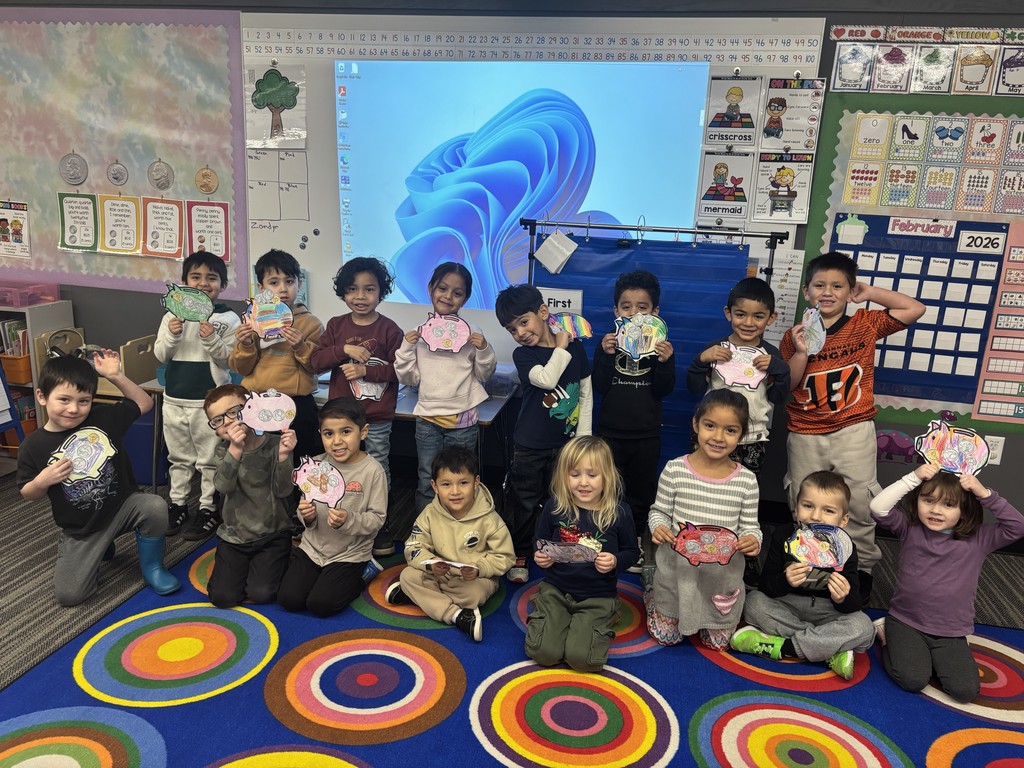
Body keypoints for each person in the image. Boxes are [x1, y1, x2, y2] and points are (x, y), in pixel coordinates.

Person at [781, 251, 925, 600]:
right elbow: (789, 384)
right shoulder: (795, 334)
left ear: (849, 291)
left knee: (859, 503)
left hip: (853, 428)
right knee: (805, 502)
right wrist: (801, 351)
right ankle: (806, 567)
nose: (827, 292)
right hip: (805, 430)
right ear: (806, 292)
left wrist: (870, 292)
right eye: (819, 285)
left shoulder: (865, 323)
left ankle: (859, 572)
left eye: (837, 286)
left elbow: (914, 309)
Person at [17, 352, 180, 606]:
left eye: (84, 401)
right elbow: (27, 492)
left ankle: (153, 568)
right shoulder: (33, 446)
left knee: (155, 506)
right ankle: (101, 548)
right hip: (83, 529)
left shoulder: (101, 418)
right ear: (41, 397)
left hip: (122, 507)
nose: (74, 409)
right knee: (70, 596)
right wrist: (43, 480)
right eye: (64, 399)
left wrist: (115, 376)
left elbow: (145, 403)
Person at [869, 465, 1024, 703]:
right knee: (912, 680)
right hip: (905, 621)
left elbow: (1018, 526)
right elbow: (877, 508)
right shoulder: (910, 528)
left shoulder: (979, 538)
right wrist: (914, 477)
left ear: (964, 508)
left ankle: (922, 654)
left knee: (965, 691)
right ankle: (886, 634)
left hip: (950, 631)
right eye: (928, 500)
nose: (935, 510)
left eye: (948, 505)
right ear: (917, 500)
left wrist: (984, 493)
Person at [645, 389, 761, 651]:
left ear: (741, 436)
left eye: (730, 430)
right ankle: (653, 591)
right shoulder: (675, 469)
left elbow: (750, 527)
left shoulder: (746, 480)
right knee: (666, 637)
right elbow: (658, 511)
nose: (718, 437)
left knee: (718, 644)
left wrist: (753, 540)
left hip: (721, 577)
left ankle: (714, 611)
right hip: (679, 573)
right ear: (696, 424)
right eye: (710, 426)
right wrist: (659, 526)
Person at [730, 471, 875, 680]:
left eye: (828, 510)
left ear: (843, 520)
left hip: (828, 612)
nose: (815, 516)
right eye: (808, 506)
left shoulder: (845, 546)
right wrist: (784, 580)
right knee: (752, 602)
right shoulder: (784, 535)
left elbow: (854, 604)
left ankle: (784, 646)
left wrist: (842, 597)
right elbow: (766, 586)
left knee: (863, 627)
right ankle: (828, 649)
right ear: (796, 508)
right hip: (788, 604)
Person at [495, 283, 592, 584]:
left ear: (543, 312)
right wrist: (560, 348)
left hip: (566, 445)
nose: (520, 332)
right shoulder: (524, 355)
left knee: (562, 502)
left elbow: (585, 393)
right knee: (523, 501)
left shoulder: (576, 348)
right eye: (512, 329)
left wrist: (583, 440)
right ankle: (520, 552)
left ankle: (556, 551)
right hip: (530, 444)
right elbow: (547, 380)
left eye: (523, 322)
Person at [311, 256, 402, 556]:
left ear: (381, 292)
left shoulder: (390, 330)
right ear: (343, 292)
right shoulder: (337, 326)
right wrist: (343, 351)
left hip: (375, 418)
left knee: (378, 469)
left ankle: (378, 523)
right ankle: (332, 516)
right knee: (337, 467)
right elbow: (315, 362)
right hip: (340, 419)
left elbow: (403, 372)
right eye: (352, 290)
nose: (360, 297)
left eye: (369, 289)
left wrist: (367, 371)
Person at [527, 436, 639, 672]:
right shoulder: (555, 506)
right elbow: (539, 541)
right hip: (556, 589)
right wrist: (541, 556)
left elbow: (632, 552)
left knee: (583, 660)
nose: (583, 483)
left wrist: (615, 561)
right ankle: (549, 610)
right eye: (575, 474)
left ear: (606, 476)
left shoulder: (619, 513)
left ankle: (607, 614)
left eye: (592, 474)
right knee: (543, 654)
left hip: (598, 596)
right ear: (563, 476)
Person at [395, 262, 496, 515]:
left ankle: (457, 533)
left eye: (457, 293)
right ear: (431, 289)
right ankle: (424, 534)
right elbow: (409, 378)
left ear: (465, 299)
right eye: (442, 288)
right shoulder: (420, 334)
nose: (448, 296)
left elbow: (485, 373)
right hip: (428, 419)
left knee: (460, 483)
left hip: (462, 422)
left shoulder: (473, 333)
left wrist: (484, 349)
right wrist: (406, 348)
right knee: (427, 480)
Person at [384, 446, 514, 642]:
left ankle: (418, 597)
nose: (455, 492)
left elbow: (505, 557)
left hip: (472, 579)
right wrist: (430, 562)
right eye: (446, 484)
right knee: (408, 575)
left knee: (475, 595)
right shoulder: (429, 513)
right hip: (438, 574)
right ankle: (456, 615)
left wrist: (479, 569)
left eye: (463, 483)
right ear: (434, 486)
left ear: (476, 483)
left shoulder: (490, 519)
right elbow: (413, 547)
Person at [592, 269, 674, 574]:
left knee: (641, 492)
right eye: (626, 307)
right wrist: (603, 354)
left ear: (655, 312)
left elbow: (663, 389)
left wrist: (664, 362)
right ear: (616, 311)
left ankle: (637, 542)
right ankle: (605, 540)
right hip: (611, 433)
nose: (634, 313)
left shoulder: (662, 347)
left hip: (646, 434)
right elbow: (599, 386)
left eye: (643, 307)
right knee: (607, 490)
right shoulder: (609, 344)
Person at [155, 251, 240, 540]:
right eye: (196, 277)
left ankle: (208, 508)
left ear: (223, 285)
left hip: (210, 404)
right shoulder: (171, 314)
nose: (204, 283)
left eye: (212, 278)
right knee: (178, 456)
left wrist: (211, 338)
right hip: (174, 398)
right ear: (184, 282)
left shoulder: (228, 318)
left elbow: (229, 360)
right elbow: (161, 355)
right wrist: (173, 334)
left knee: (208, 459)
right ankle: (177, 504)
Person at [278, 397, 387, 618]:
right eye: (329, 434)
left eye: (345, 432)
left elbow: (377, 519)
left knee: (321, 604)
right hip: (313, 547)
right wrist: (305, 516)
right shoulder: (315, 465)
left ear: (363, 432)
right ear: (321, 435)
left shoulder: (373, 471)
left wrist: (349, 519)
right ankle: (322, 576)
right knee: (289, 599)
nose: (337, 441)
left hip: (350, 553)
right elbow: (304, 510)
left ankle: (363, 575)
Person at [203, 383, 296, 608]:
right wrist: (235, 448)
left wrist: (284, 456)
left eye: (234, 411)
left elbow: (284, 490)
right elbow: (223, 487)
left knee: (263, 593)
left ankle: (283, 560)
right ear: (216, 430)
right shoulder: (222, 451)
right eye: (218, 420)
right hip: (234, 537)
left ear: (253, 407)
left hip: (272, 535)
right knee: (222, 597)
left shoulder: (276, 444)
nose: (228, 421)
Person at [687, 277, 789, 476]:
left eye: (758, 316)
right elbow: (694, 388)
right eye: (740, 314)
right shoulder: (714, 349)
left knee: (745, 489)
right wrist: (701, 360)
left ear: (771, 317)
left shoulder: (771, 355)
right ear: (728, 313)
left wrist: (781, 369)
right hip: (711, 434)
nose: (748, 323)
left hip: (751, 437)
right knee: (702, 481)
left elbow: (778, 397)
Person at [229, 249, 324, 461]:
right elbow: (240, 368)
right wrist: (245, 344)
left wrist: (300, 345)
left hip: (296, 404)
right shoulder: (253, 320)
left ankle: (298, 494)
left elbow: (317, 365)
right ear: (261, 288)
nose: (283, 289)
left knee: (299, 459)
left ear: (299, 284)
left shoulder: (310, 323)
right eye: (274, 283)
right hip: (257, 400)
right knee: (256, 461)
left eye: (289, 281)